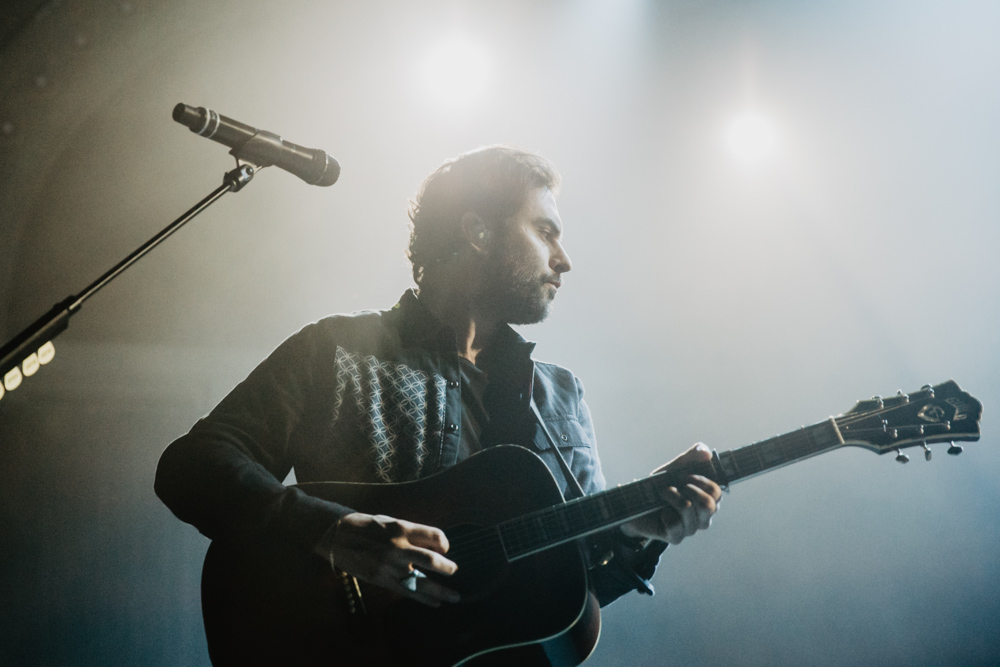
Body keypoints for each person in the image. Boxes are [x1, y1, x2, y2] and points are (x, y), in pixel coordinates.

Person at [154, 145, 721, 646]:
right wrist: (329, 530)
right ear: (478, 231)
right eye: (545, 231)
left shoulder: (560, 397)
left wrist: (635, 531)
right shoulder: (336, 350)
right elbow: (191, 465)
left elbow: (572, 591)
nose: (564, 259)